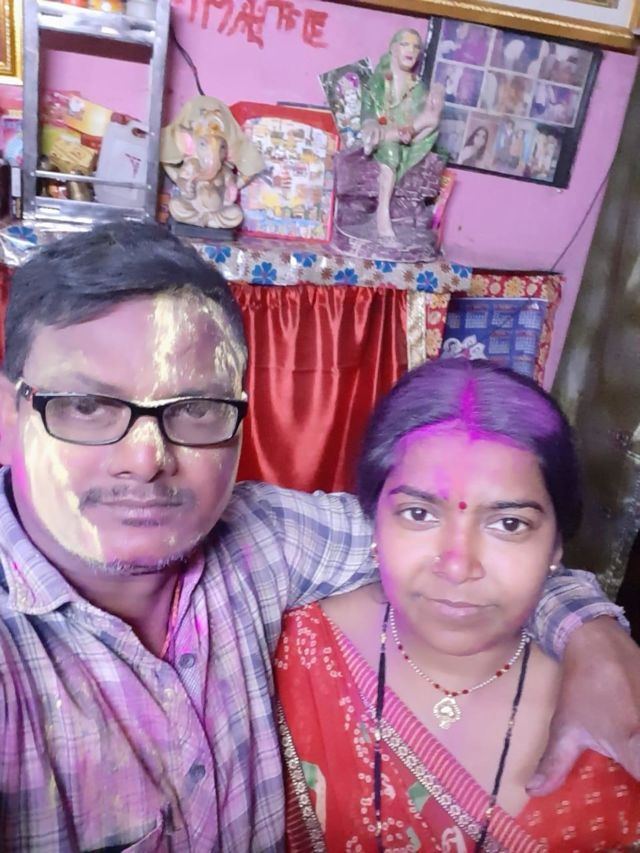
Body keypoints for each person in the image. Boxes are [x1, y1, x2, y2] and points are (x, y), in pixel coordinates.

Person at [0, 223, 637, 851]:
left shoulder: (261, 540)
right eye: (87, 406)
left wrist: (594, 637)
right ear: (9, 413)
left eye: (195, 409)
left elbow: (462, 552)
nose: (145, 460)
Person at [276, 359, 640, 851]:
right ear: (372, 521)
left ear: (557, 544)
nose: (457, 566)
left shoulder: (614, 714)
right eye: (419, 513)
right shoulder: (287, 653)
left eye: (509, 524)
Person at [361, 29, 444, 240]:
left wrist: (436, 97)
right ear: (393, 48)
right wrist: (370, 122)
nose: (411, 51)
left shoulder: (417, 86)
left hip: (407, 134)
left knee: (432, 121)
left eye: (416, 47)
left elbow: (426, 114)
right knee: (391, 151)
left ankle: (388, 136)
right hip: (383, 132)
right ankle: (382, 214)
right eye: (406, 44)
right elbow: (368, 108)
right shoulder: (379, 79)